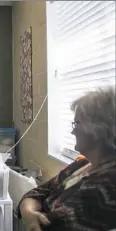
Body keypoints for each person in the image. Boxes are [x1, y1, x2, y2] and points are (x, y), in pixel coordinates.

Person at [17, 87, 116, 231]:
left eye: (77, 124)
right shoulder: (83, 164)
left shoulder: (107, 183)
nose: (73, 131)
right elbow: (38, 192)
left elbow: (50, 226)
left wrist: (31, 216)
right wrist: (29, 213)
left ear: (97, 129)